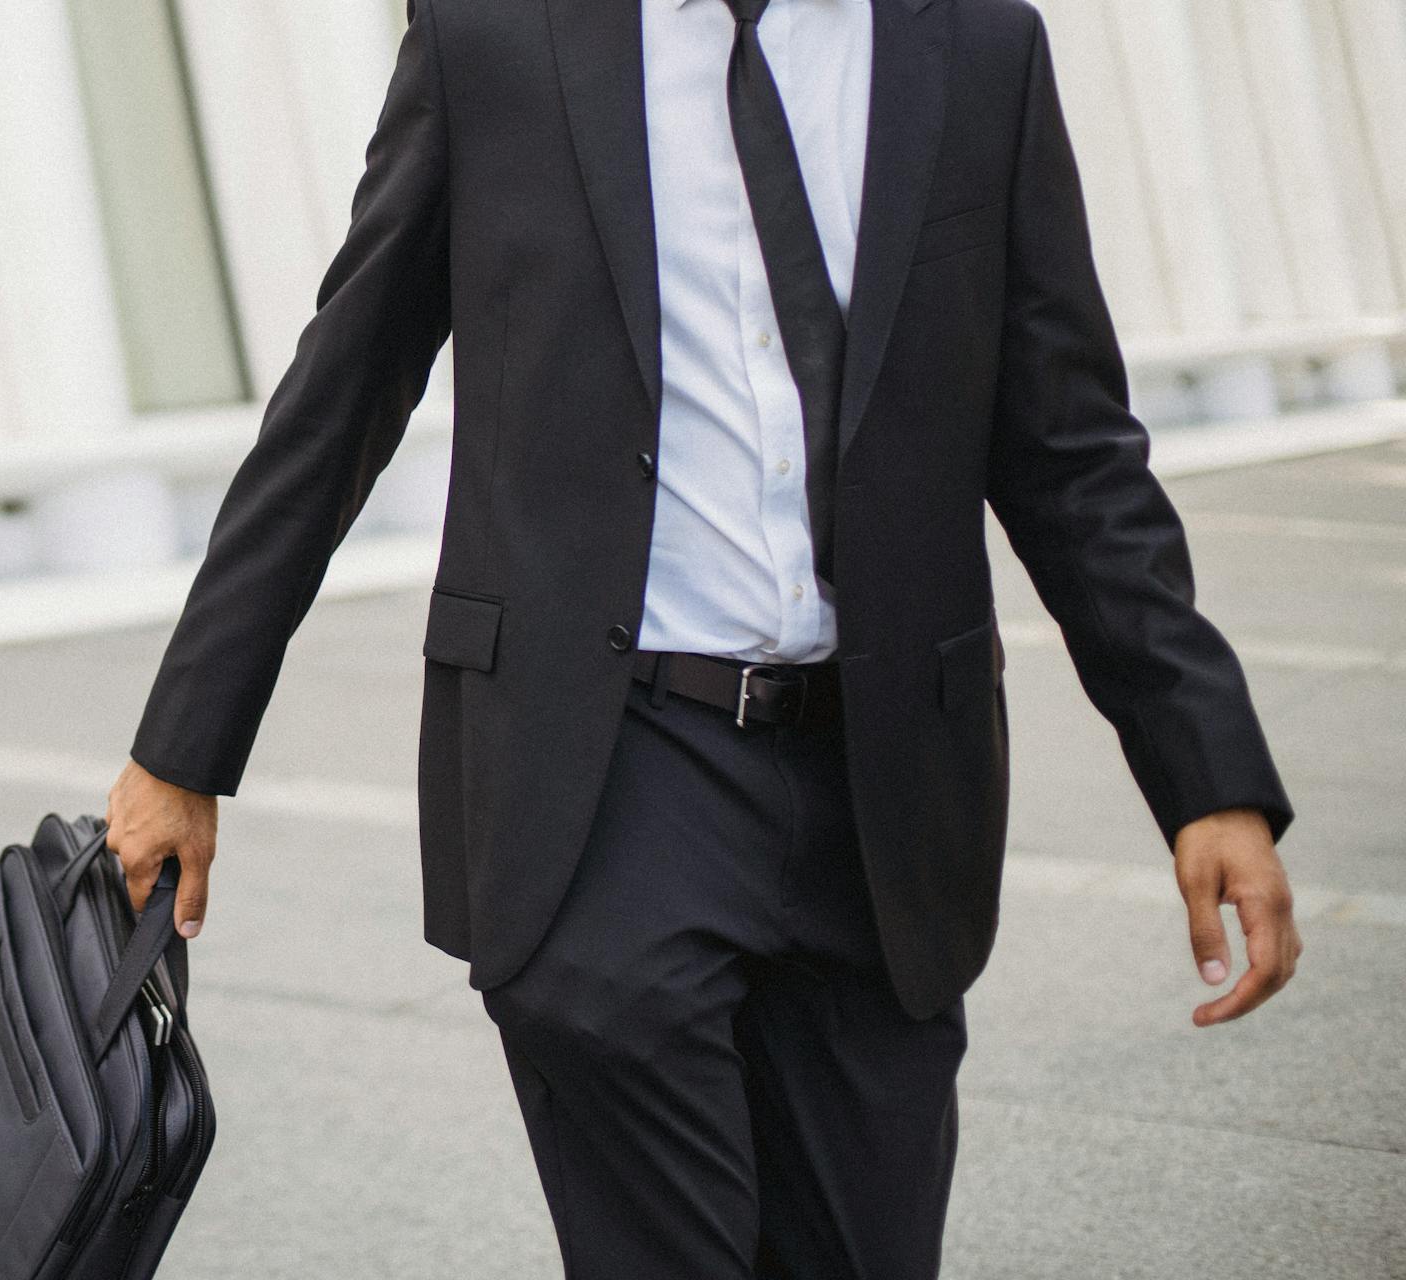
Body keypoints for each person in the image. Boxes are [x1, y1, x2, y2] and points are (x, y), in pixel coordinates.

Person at [105, 0, 1303, 1274]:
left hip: (882, 806)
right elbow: (340, 393)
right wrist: (184, 748)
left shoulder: (975, 48)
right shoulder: (497, 35)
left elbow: (1072, 453)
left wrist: (1206, 773)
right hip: (608, 782)